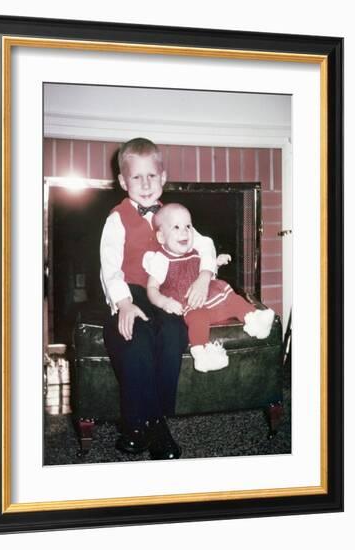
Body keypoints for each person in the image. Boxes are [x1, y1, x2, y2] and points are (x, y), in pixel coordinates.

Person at [100, 138, 216, 460]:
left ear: (163, 178)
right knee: (134, 337)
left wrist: (205, 275)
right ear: (123, 182)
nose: (146, 183)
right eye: (137, 177)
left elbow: (204, 244)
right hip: (132, 292)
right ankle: (148, 425)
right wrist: (123, 303)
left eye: (152, 175)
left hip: (166, 293)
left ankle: (149, 422)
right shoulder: (117, 218)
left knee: (174, 333)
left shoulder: (173, 215)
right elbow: (109, 266)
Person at [144, 203, 275, 372]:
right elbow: (152, 288)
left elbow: (204, 270)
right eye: (176, 227)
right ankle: (202, 353)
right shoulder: (161, 259)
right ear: (161, 237)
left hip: (209, 298)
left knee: (233, 299)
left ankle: (254, 319)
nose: (184, 231)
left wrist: (216, 263)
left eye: (188, 226)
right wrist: (164, 302)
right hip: (188, 302)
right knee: (198, 318)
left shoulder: (195, 251)